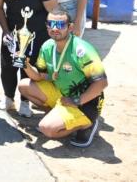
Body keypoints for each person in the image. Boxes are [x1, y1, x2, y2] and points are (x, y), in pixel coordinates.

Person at [19, 8, 108, 147]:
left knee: (47, 129)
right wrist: (25, 64)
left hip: (86, 103)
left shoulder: (82, 49)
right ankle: (59, 118)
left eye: (60, 25)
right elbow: (39, 76)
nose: (55, 29)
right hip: (63, 95)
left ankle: (87, 125)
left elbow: (102, 83)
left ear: (70, 27)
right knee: (24, 85)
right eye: (51, 24)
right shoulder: (47, 46)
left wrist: (77, 100)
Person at [0, 0, 58, 117]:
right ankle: (8, 99)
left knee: (28, 68)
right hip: (12, 33)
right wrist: (5, 31)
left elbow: (54, 13)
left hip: (37, 35)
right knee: (7, 67)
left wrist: (55, 38)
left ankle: (25, 102)